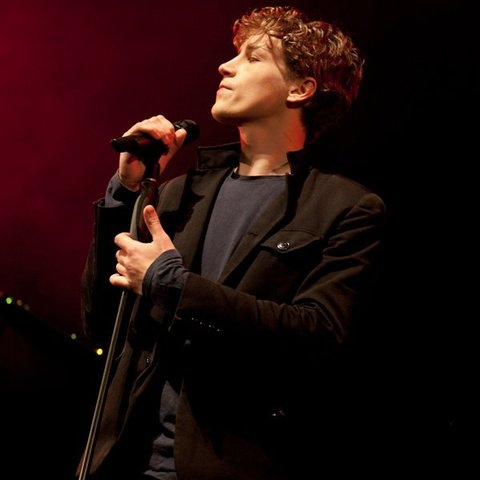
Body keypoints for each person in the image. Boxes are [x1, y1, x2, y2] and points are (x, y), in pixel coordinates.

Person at [77, 5, 386, 480]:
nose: (226, 66)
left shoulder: (343, 208)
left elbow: (315, 335)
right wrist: (126, 195)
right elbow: (102, 324)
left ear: (300, 89)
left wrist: (171, 283)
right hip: (127, 462)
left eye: (252, 57)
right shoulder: (180, 193)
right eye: (234, 55)